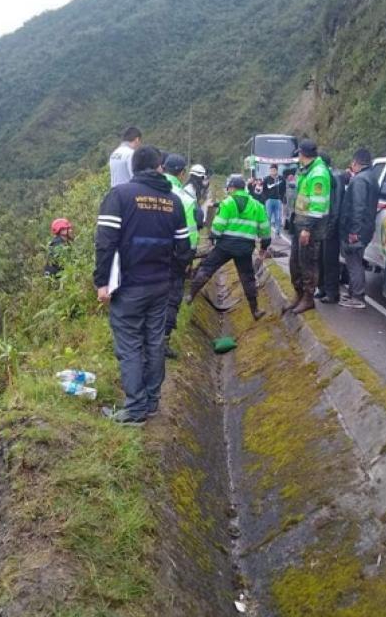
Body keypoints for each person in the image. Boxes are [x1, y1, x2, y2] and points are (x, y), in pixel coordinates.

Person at [94, 145, 193, 425]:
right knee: (154, 342)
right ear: (159, 167)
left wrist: (102, 282)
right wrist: (171, 277)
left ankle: (135, 409)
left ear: (133, 168)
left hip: (129, 287)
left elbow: (105, 243)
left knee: (130, 345)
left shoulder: (120, 196)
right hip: (160, 286)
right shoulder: (172, 201)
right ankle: (151, 402)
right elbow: (184, 249)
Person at [184, 174, 271, 321]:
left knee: (207, 268)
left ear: (232, 188)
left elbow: (218, 226)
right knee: (247, 278)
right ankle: (255, 310)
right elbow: (265, 230)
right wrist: (264, 246)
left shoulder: (227, 203)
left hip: (225, 246)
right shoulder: (257, 205)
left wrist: (213, 238)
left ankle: (191, 295)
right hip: (245, 248)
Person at [160, 154, 204, 358]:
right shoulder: (185, 198)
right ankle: (163, 341)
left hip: (145, 256)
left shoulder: (144, 192)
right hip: (174, 257)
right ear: (182, 173)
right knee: (171, 297)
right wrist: (187, 259)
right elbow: (191, 233)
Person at [282, 140, 332, 315]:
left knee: (307, 263)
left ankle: (308, 298)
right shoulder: (306, 170)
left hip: (309, 227)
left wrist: (307, 229)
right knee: (295, 262)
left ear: (303, 154)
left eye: (299, 155)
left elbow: (317, 206)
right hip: (299, 223)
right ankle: (299, 294)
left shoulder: (318, 174)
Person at [338, 149, 378, 309]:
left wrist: (354, 231)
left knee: (354, 262)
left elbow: (358, 207)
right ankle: (354, 291)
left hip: (357, 229)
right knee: (355, 260)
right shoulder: (372, 177)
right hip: (366, 227)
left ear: (355, 163)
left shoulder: (360, 180)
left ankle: (358, 296)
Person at [316, 154, 348, 304]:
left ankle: (332, 292)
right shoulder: (324, 176)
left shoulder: (335, 178)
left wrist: (331, 226)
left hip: (331, 226)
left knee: (330, 261)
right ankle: (322, 288)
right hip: (322, 225)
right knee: (320, 259)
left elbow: (336, 205)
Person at [263, 164, 285, 237]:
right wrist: (266, 198)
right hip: (269, 200)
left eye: (274, 170)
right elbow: (264, 190)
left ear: (277, 170)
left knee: (278, 217)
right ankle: (267, 233)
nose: (272, 171)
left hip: (278, 200)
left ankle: (277, 233)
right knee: (268, 217)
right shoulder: (266, 179)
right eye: (271, 170)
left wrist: (281, 198)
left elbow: (283, 189)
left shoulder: (281, 179)